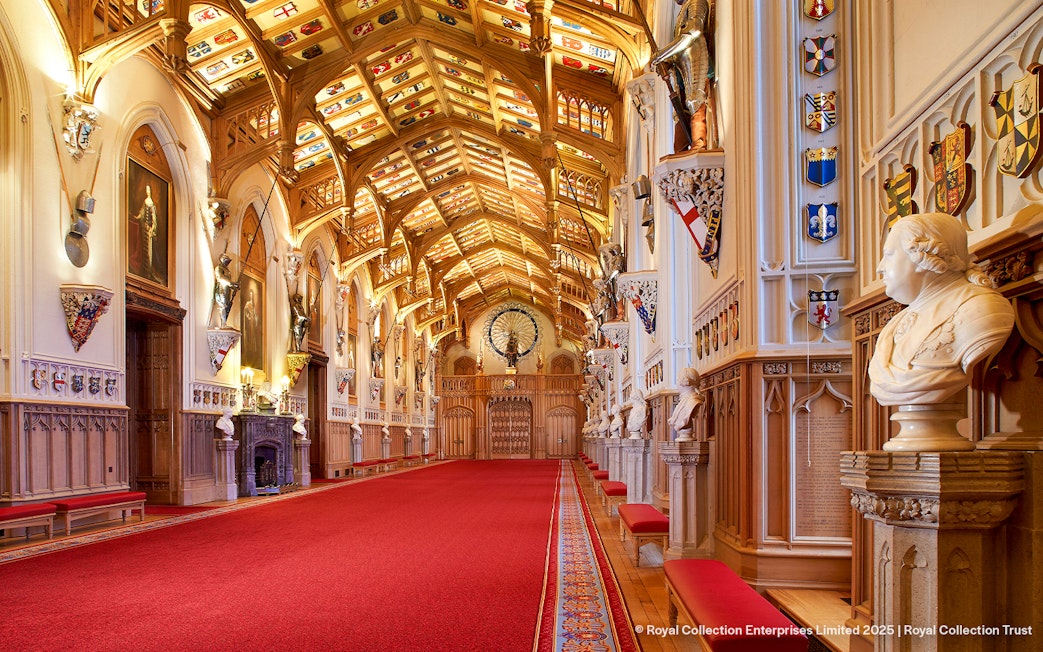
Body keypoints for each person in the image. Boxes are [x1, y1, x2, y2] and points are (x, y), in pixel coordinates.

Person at [868, 212, 1015, 406]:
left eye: (888, 255)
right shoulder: (895, 324)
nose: (880, 267)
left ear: (922, 257)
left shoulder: (984, 309)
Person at [650, 0, 714, 151]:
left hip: (696, 58)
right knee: (680, 107)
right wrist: (666, 60)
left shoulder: (696, 2)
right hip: (682, 63)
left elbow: (693, 31)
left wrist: (661, 55)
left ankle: (699, 144)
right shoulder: (681, 12)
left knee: (694, 101)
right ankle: (682, 149)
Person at [668, 367, 704, 435]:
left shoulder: (692, 401)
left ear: (684, 382)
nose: (677, 384)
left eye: (678, 380)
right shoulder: (684, 401)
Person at [213, 253, 238, 329]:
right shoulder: (219, 268)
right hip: (221, 289)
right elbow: (221, 278)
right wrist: (231, 283)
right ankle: (223, 324)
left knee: (226, 306)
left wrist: (234, 286)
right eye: (227, 261)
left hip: (227, 290)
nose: (228, 263)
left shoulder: (227, 270)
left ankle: (224, 323)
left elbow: (229, 281)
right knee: (223, 306)